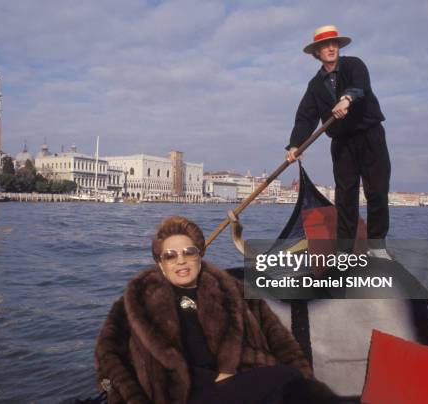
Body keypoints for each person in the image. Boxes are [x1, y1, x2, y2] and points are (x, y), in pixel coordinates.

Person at [95, 216, 339, 404]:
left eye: (188, 252)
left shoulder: (230, 289)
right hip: (181, 393)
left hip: (236, 381)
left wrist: (304, 376)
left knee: (294, 384)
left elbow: (278, 338)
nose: (181, 260)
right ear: (160, 264)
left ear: (199, 256)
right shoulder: (138, 300)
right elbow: (107, 354)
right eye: (170, 256)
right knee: (285, 379)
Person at [285, 25, 391, 259]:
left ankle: (377, 247)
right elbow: (305, 118)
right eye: (325, 45)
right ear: (317, 52)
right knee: (345, 197)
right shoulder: (314, 85)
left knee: (377, 192)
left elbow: (360, 86)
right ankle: (344, 250)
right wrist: (294, 145)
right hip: (342, 143)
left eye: (334, 43)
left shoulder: (355, 65)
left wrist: (346, 99)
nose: (331, 47)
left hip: (370, 135)